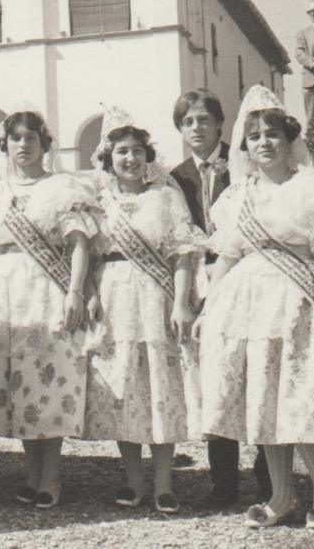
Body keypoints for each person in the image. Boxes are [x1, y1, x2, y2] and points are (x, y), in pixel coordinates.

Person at [195, 87, 314, 532]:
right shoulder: (237, 199)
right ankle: (281, 496)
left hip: (296, 305)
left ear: (289, 138)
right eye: (254, 136)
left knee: (299, 401)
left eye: (272, 134)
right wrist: (206, 307)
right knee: (264, 402)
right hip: (247, 308)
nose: (264, 143)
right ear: (246, 146)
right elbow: (228, 257)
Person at [0, 108, 98, 508]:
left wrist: (74, 291)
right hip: (1, 292)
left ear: (44, 144)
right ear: (5, 145)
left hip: (44, 290)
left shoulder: (62, 188)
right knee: (17, 382)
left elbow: (78, 245)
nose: (23, 145)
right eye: (16, 138)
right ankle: (31, 474)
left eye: (31, 138)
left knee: (45, 381)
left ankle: (50, 478)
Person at [80, 107, 204, 515]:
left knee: (158, 387)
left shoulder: (166, 197)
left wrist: (183, 303)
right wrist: (90, 292)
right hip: (114, 298)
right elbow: (91, 256)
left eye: (136, 151)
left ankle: (165, 484)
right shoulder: (98, 202)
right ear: (108, 159)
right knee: (125, 388)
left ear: (147, 156)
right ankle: (133, 481)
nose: (129, 159)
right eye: (121, 152)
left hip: (155, 297)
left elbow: (183, 253)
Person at [168, 89, 270, 506]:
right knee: (216, 378)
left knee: (258, 372)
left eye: (204, 120)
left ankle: (269, 479)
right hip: (201, 280)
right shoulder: (175, 176)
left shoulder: (245, 162)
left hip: (248, 276)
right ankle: (224, 484)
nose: (197, 129)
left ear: (220, 124)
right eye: (188, 122)